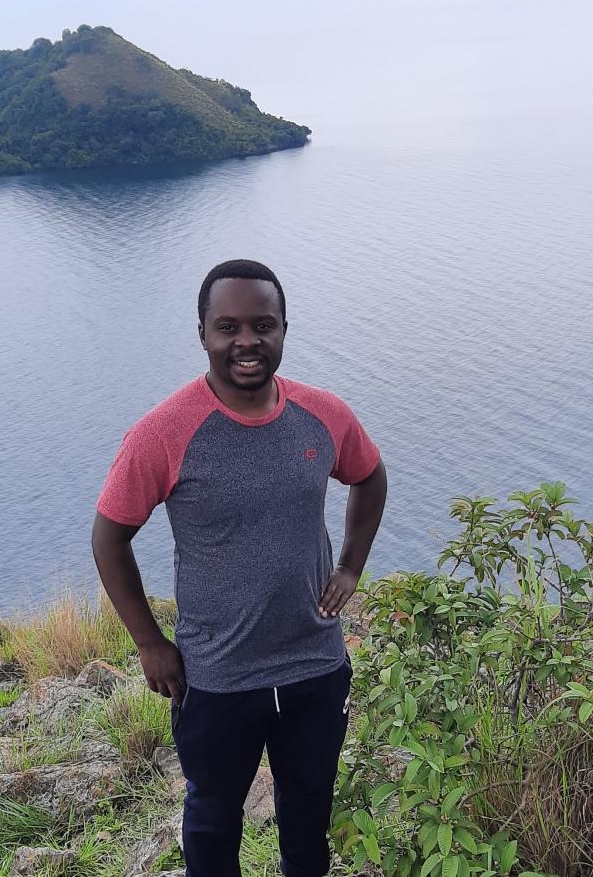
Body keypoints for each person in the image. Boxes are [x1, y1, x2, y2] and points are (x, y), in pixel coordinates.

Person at [92, 258, 387, 877]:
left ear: (284, 329)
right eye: (227, 327)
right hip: (217, 676)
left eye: (262, 324)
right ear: (202, 333)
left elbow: (369, 476)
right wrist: (150, 644)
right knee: (213, 822)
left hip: (315, 667)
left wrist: (351, 567)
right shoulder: (165, 432)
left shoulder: (323, 415)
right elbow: (109, 538)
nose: (246, 341)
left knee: (308, 824)